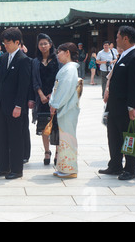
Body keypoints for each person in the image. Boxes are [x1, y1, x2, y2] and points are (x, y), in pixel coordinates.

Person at [99, 26, 135, 181]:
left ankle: (131, 169)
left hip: (127, 108)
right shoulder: (121, 56)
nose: (116, 40)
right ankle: (115, 165)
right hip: (114, 106)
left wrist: (132, 106)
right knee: (114, 136)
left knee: (129, 137)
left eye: (118, 37)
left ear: (126, 38)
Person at [0, 27, 31, 180]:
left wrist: (19, 106)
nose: (5, 45)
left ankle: (16, 169)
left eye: (8, 43)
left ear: (17, 42)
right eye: (4, 43)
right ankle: (2, 167)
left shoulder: (23, 60)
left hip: (16, 107)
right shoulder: (2, 58)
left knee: (15, 138)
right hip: (2, 105)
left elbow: (24, 85)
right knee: (1, 137)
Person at [49, 43, 81, 179]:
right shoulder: (68, 68)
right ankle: (63, 166)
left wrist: (55, 103)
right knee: (63, 138)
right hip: (65, 107)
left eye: (59, 52)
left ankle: (70, 168)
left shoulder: (69, 69)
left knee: (67, 137)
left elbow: (64, 90)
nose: (57, 55)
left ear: (67, 52)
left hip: (67, 108)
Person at [31, 33, 60, 166]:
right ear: (38, 46)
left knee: (57, 126)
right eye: (41, 44)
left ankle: (58, 151)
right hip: (41, 100)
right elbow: (34, 80)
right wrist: (41, 95)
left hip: (56, 98)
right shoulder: (35, 61)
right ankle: (47, 151)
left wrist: (51, 95)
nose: (43, 46)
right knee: (44, 126)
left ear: (50, 44)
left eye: (45, 43)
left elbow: (60, 79)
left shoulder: (57, 60)